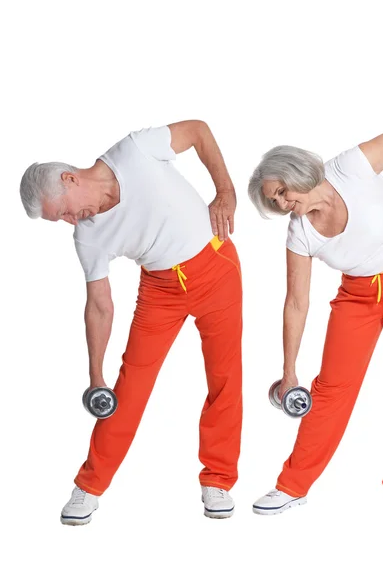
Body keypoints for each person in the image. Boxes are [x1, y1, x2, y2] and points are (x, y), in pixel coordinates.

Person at [20, 120, 242, 524]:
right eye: (63, 221)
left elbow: (198, 130)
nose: (73, 221)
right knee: (130, 387)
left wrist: (225, 192)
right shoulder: (87, 236)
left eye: (66, 211)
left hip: (216, 267)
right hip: (159, 291)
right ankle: (88, 488)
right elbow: (99, 305)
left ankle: (219, 481)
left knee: (224, 378)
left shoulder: (135, 151)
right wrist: (95, 376)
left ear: (70, 178)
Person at [248, 127, 383, 516]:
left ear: (297, 172)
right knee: (331, 389)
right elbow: (296, 303)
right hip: (358, 296)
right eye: (276, 201)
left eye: (283, 192)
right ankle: (292, 485)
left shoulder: (349, 167)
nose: (284, 203)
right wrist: (288, 372)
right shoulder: (299, 232)